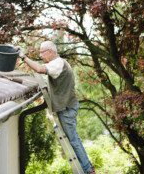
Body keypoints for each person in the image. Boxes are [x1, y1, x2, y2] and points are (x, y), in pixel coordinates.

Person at [18, 41, 95, 174]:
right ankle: (88, 168)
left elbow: (39, 69)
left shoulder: (58, 64)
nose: (41, 55)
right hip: (67, 106)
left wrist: (23, 57)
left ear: (50, 51)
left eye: (42, 52)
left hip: (66, 108)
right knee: (73, 138)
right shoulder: (59, 63)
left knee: (73, 140)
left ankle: (88, 170)